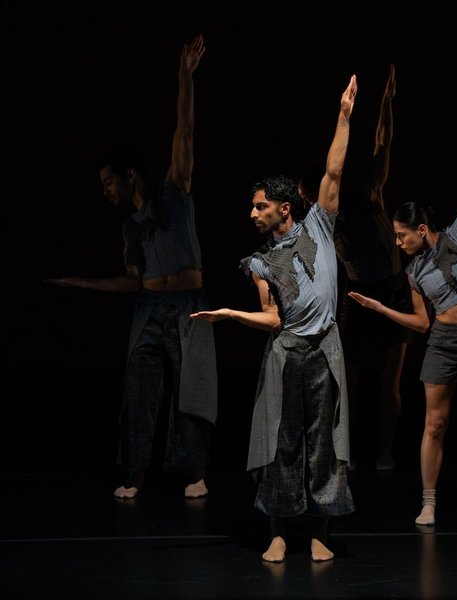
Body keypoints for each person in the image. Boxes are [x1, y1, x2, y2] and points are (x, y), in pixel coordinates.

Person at [190, 75, 358, 562]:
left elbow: (334, 170)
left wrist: (344, 116)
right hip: (287, 354)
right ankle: (279, 530)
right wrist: (230, 315)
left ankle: (322, 529)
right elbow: (271, 320)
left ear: (284, 208)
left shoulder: (320, 225)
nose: (252, 213)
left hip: (325, 347)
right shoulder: (260, 263)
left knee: (323, 440)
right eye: (252, 206)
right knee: (283, 442)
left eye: (260, 206)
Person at [45, 34, 216, 500]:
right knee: (139, 388)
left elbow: (184, 130)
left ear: (130, 175)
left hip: (188, 306)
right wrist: (81, 281)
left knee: (191, 389)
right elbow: (134, 281)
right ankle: (135, 473)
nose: (106, 191)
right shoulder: (131, 228)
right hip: (149, 306)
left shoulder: (174, 192)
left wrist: (184, 75)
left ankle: (194, 471)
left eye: (108, 182)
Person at [347, 114, 457, 527]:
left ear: (421, 229)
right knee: (434, 423)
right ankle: (429, 501)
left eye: (402, 235)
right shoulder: (414, 272)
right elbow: (420, 323)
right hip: (442, 339)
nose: (397, 242)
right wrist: (381, 309)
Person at [297, 64, 413, 471]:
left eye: (310, 197)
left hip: (393, 290)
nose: (311, 204)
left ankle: (384, 452)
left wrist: (386, 103)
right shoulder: (320, 223)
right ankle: (344, 452)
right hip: (359, 298)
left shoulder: (368, 199)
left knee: (389, 384)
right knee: (348, 381)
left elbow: (384, 145)